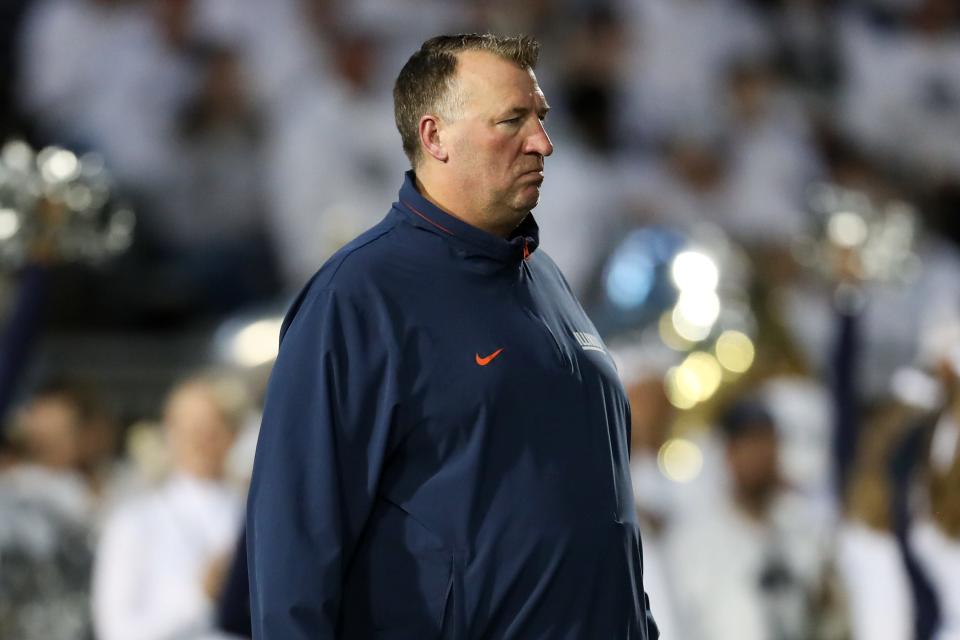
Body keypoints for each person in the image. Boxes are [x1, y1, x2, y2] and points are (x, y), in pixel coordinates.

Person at [246, 33, 659, 639]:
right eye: (511, 121)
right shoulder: (358, 297)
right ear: (434, 136)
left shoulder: (545, 277)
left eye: (540, 119)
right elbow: (295, 548)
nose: (542, 143)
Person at [92, 374, 246, 640]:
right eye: (189, 428)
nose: (200, 440)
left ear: (231, 434)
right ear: (170, 433)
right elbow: (116, 631)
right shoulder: (134, 521)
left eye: (211, 428)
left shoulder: (251, 515)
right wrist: (199, 596)